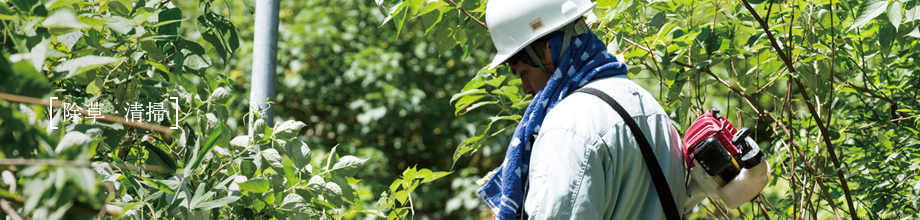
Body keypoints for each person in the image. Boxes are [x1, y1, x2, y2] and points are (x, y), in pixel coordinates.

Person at [476, 0, 686, 219]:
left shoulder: (567, 126)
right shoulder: (645, 101)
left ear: (548, 51)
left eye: (523, 73)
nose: (526, 89)